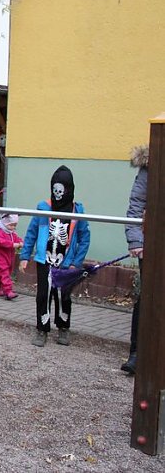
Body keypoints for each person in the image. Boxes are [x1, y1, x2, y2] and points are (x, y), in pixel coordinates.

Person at [19, 165, 90, 348]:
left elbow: (84, 237)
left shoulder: (77, 211)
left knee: (63, 296)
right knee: (43, 295)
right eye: (55, 189)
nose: (58, 194)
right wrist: (25, 255)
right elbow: (32, 232)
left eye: (62, 189)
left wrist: (77, 261)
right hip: (45, 260)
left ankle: (63, 327)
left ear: (69, 189)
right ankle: (42, 329)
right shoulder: (44, 208)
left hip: (66, 263)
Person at [122, 144, 147, 375]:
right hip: (152, 245)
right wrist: (136, 241)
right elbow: (136, 207)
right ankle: (136, 353)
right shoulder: (150, 166)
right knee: (145, 299)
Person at [0, 213, 22, 300]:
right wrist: (13, 244)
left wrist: (21, 242)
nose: (13, 228)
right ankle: (8, 291)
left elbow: (16, 238)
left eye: (15, 225)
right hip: (0, 256)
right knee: (5, 273)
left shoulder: (11, 232)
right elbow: (1, 242)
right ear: (5, 223)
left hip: (9, 256)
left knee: (3, 272)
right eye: (11, 225)